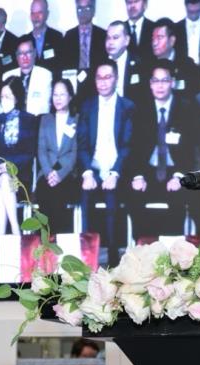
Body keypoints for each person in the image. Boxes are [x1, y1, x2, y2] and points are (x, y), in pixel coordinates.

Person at [129, 59, 200, 238]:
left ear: (172, 82)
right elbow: (134, 147)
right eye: (155, 81)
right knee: (133, 196)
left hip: (175, 170)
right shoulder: (141, 109)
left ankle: (172, 247)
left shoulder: (187, 107)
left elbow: (193, 147)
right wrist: (138, 176)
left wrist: (179, 176)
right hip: (148, 171)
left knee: (179, 199)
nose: (160, 86)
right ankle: (143, 245)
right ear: (150, 84)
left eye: (164, 80)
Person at [77, 59, 135, 266]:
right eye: (99, 78)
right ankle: (87, 257)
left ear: (116, 79)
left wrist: (115, 173)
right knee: (85, 199)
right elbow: (82, 144)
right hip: (93, 167)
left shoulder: (127, 107)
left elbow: (128, 145)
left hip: (116, 168)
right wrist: (87, 172)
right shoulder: (87, 106)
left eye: (107, 77)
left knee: (113, 203)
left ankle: (112, 257)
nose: (102, 82)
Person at [0, 76, 38, 235]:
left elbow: (29, 153)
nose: (4, 100)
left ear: (16, 98)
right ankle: (16, 233)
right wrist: (1, 166)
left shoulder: (29, 120)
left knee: (2, 189)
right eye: (2, 96)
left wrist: (10, 166)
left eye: (8, 96)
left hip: (21, 175)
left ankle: (4, 237)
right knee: (3, 181)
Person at [35, 79, 78, 235]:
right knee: (44, 191)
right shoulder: (45, 119)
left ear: (70, 97)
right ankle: (46, 239)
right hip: (47, 172)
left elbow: (74, 152)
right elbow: (41, 149)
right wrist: (49, 173)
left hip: (67, 173)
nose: (58, 99)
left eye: (62, 94)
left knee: (59, 194)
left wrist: (59, 173)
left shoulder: (77, 119)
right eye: (55, 95)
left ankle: (59, 238)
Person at [62, 0, 107, 99]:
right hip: (74, 86)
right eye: (79, 9)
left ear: (93, 10)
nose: (83, 12)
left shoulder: (103, 35)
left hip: (97, 85)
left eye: (87, 8)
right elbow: (64, 66)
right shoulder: (68, 36)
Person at [150, 17, 200, 98]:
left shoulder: (188, 66)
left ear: (172, 40)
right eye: (153, 38)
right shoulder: (146, 66)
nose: (154, 43)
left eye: (160, 37)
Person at [3, 38, 52, 116]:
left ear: (35, 53)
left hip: (36, 119)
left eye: (28, 52)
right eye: (21, 53)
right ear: (16, 56)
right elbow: (2, 106)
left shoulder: (45, 75)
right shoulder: (7, 75)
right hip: (12, 119)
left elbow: (45, 106)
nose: (25, 57)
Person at [105, 20, 145, 105]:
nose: (110, 42)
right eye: (108, 38)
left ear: (127, 40)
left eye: (115, 37)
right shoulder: (99, 64)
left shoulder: (140, 64)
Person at [22, 0, 64, 77]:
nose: (36, 17)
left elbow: (61, 66)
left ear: (47, 14)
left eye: (39, 12)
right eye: (33, 13)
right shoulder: (23, 41)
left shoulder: (57, 37)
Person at [175, 0, 200, 66]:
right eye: (190, 12)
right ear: (185, 6)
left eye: (198, 11)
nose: (194, 15)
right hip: (182, 69)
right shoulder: (177, 28)